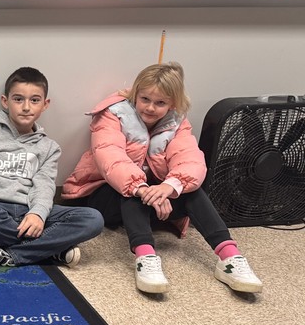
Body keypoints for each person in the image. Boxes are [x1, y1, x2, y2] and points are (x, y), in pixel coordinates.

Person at [62, 61, 262, 295]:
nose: (150, 108)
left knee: (191, 190)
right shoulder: (111, 115)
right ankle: (145, 256)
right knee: (132, 191)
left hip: (155, 199)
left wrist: (169, 187)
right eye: (145, 99)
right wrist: (143, 188)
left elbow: (190, 160)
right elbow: (111, 159)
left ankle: (229, 257)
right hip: (104, 197)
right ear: (135, 94)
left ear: (172, 104)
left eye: (160, 103)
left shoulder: (177, 123)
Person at [0, 67, 103, 270]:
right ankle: (54, 249)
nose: (26, 107)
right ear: (5, 101)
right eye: (18, 99)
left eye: (34, 100)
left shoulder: (49, 148)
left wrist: (37, 214)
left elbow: (44, 187)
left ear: (45, 105)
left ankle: (8, 254)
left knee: (93, 219)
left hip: (29, 209)